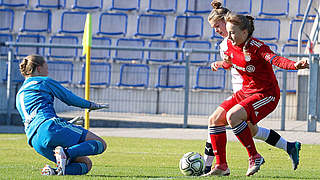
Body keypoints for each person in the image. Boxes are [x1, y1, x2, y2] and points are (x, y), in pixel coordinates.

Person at [203, 11, 309, 177]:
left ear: (245, 32)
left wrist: (295, 65)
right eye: (228, 32)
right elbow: (230, 62)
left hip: (266, 94)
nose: (229, 37)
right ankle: (221, 165)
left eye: (232, 33)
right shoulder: (230, 45)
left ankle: (254, 157)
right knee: (214, 119)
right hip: (246, 91)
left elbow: (276, 59)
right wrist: (221, 64)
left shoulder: (257, 47)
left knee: (233, 117)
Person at [16, 55, 109, 176]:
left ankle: (53, 172)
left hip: (35, 141)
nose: (48, 71)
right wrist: (91, 105)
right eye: (46, 68)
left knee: (85, 163)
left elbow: (35, 118)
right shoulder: (43, 81)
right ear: (39, 68)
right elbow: (69, 98)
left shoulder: (20, 94)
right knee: (100, 143)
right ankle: (67, 153)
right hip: (49, 126)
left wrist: (68, 124)